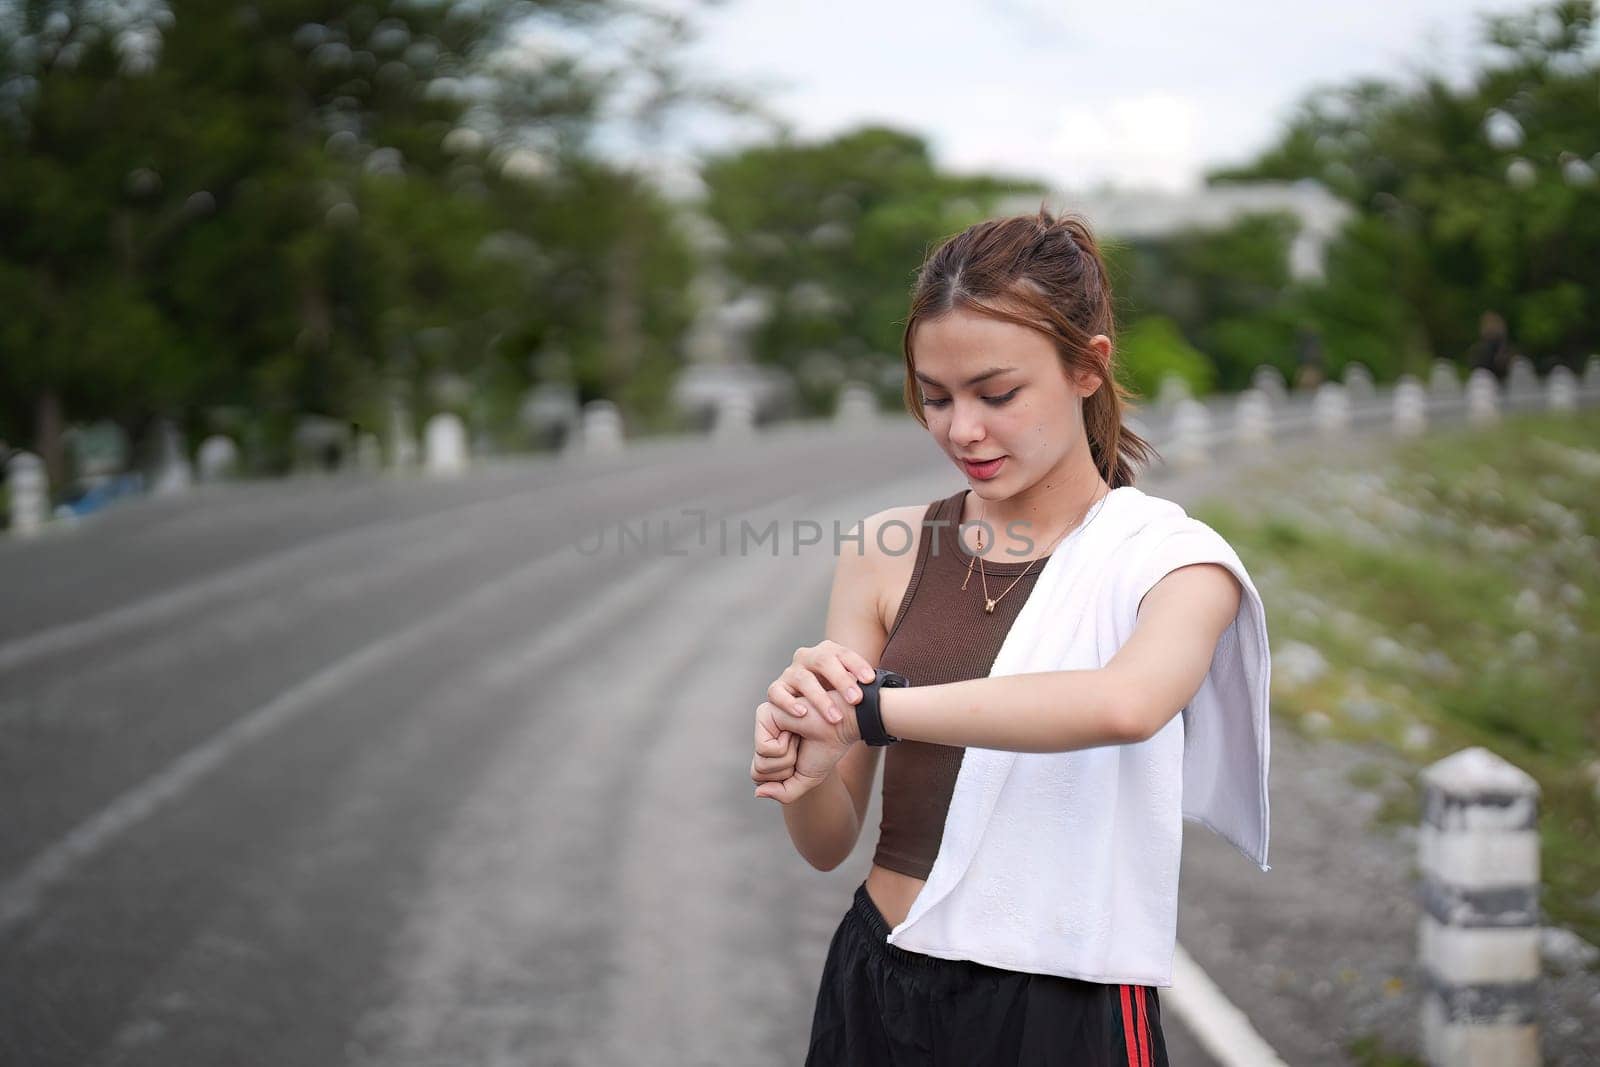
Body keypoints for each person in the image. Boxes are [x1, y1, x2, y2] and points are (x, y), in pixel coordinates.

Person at [749, 207, 1272, 1065]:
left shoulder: (1172, 561)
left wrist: (872, 712)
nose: (962, 429)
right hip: (880, 976)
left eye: (998, 394)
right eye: (936, 396)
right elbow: (829, 842)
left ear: (1086, 368)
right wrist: (808, 770)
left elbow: (1123, 702)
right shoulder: (887, 550)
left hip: (1061, 1002)